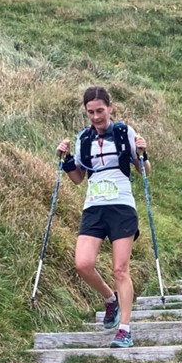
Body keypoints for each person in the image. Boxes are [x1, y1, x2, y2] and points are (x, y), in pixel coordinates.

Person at [56, 86, 150, 349]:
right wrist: (65, 160)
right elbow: (77, 179)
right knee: (82, 264)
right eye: (90, 112)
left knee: (121, 269)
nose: (96, 116)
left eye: (100, 110)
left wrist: (143, 153)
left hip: (121, 206)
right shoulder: (83, 138)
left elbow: (144, 172)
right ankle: (111, 300)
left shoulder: (124, 133)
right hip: (94, 207)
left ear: (110, 107)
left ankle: (125, 330)